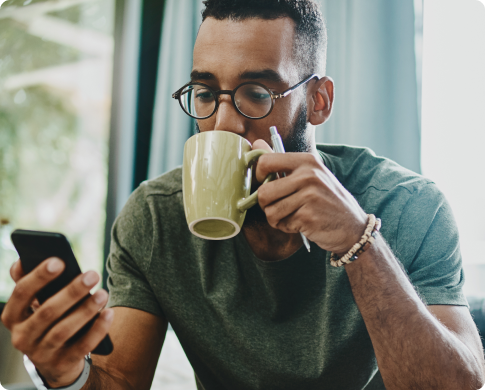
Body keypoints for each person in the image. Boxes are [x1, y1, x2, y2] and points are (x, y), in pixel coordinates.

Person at [2, 1, 485, 389]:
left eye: (257, 93)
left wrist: (359, 242)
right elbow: (121, 381)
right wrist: (68, 373)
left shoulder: (408, 206)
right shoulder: (154, 218)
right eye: (206, 93)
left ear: (318, 102)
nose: (225, 124)